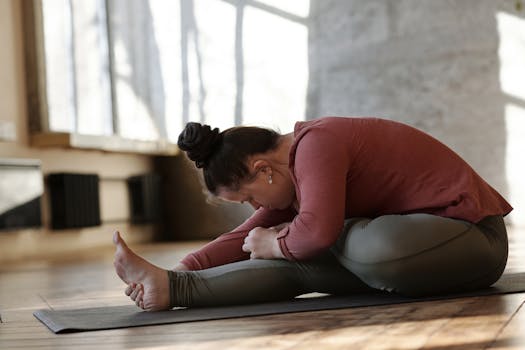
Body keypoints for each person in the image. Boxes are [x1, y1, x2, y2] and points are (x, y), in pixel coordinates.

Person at [113, 116, 512, 311]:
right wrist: (183, 270)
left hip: (472, 238)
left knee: (314, 240)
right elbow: (245, 237)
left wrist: (280, 239)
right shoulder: (287, 179)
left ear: (262, 170)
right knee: (294, 263)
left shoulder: (317, 145)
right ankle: (173, 290)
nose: (255, 209)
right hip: (423, 262)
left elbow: (317, 232)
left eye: (248, 197)